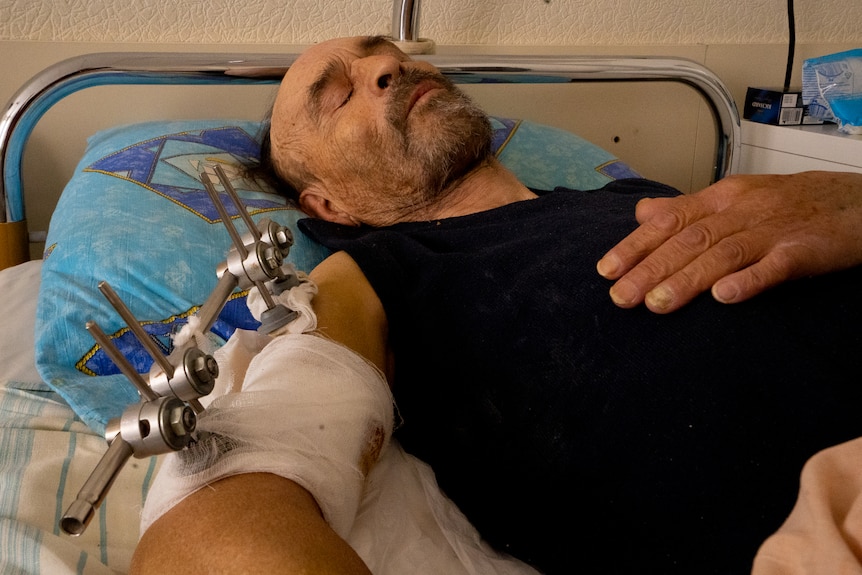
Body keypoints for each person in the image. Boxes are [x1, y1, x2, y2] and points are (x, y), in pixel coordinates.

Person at [131, 36, 862, 574]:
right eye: (340, 95)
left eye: (386, 55)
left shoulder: (639, 198)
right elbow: (222, 513)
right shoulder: (382, 274)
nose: (390, 67)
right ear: (328, 203)